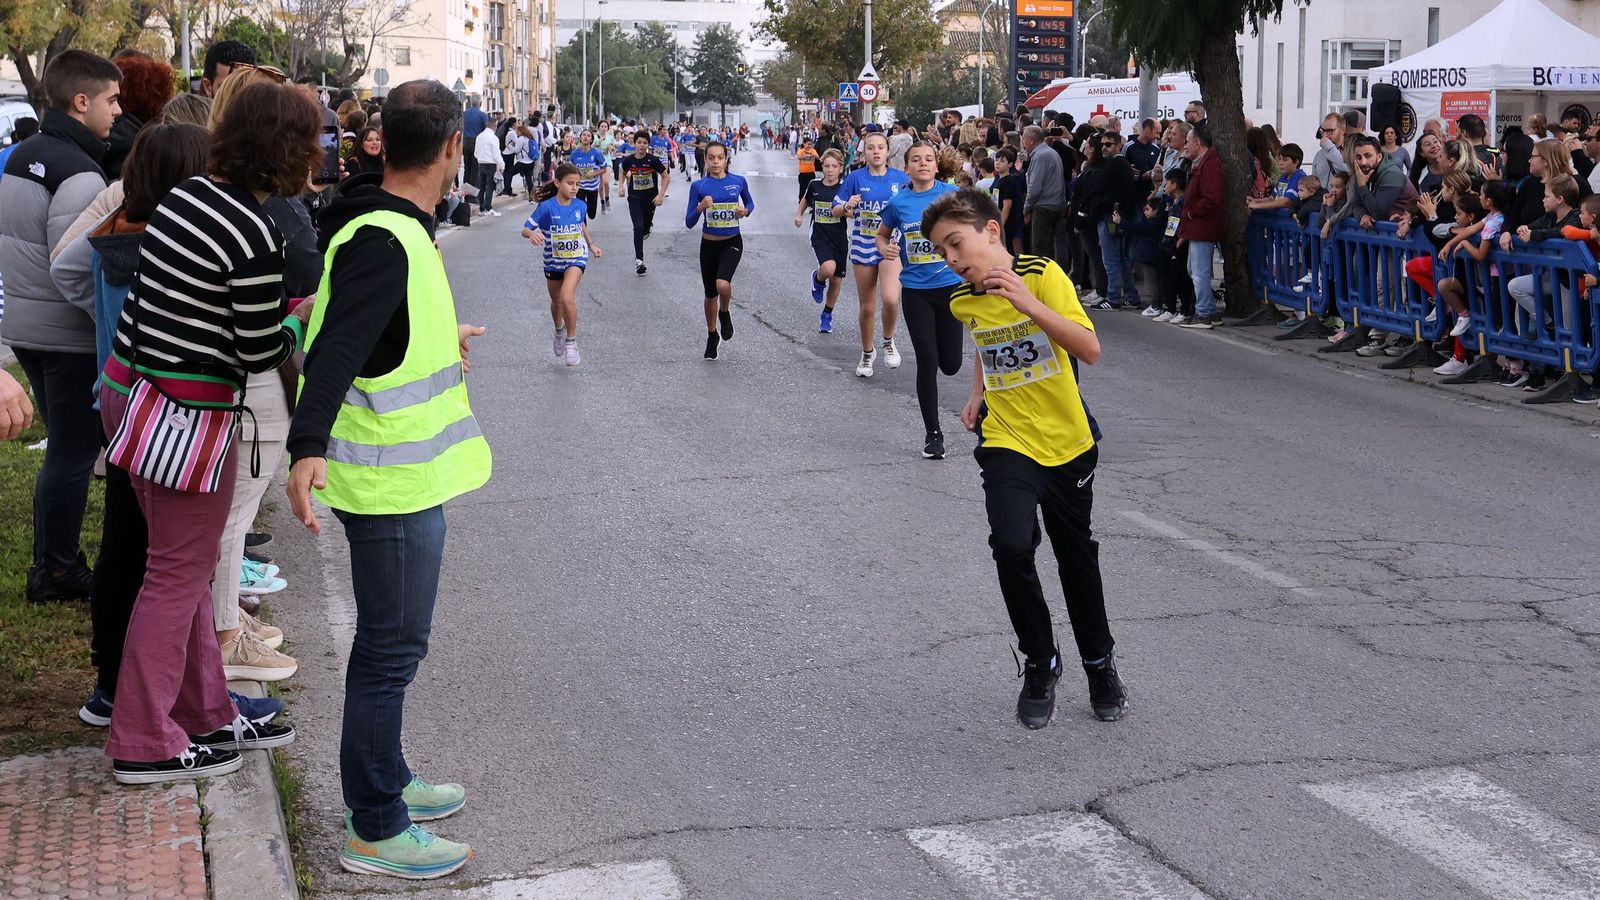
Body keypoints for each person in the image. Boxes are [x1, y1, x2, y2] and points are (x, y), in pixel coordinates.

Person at [287, 78, 489, 880]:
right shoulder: (385, 237)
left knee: (392, 648)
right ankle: (375, 823)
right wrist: (308, 446)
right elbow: (335, 347)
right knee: (388, 652)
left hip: (400, 480)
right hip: (386, 487)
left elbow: (376, 338)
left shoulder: (391, 225)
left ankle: (390, 779)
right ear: (450, 148)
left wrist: (445, 336)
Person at [98, 79, 315, 784]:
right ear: (287, 152)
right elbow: (257, 351)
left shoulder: (188, 196)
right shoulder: (252, 231)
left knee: (181, 573)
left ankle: (199, 709)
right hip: (186, 415)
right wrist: (296, 316)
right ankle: (142, 738)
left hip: (133, 390)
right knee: (174, 577)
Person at [921, 188, 1126, 729]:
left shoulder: (1041, 274)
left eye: (955, 244)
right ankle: (1040, 663)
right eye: (942, 251)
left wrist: (1026, 303)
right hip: (1008, 439)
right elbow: (992, 347)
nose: (951, 259)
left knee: (1075, 560)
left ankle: (1100, 665)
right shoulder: (964, 299)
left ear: (991, 232)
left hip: (1067, 442)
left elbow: (1089, 348)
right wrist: (977, 392)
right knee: (1012, 545)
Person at [0, 50, 122, 604]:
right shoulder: (80, 172)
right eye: (111, 100)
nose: (118, 112)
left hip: (24, 326)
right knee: (72, 454)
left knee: (63, 452)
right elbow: (71, 263)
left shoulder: (20, 153)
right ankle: (56, 569)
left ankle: (54, 562)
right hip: (64, 332)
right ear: (81, 102)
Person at [877, 142, 964, 460]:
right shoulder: (899, 202)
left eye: (928, 159)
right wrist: (884, 248)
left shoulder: (949, 195)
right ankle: (934, 434)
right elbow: (882, 234)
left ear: (936, 166)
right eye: (916, 160)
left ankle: (948, 362)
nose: (923, 164)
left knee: (951, 364)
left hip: (950, 286)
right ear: (907, 166)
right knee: (927, 361)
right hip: (916, 291)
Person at [834, 132, 911, 377]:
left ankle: (888, 341)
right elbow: (834, 209)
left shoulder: (901, 179)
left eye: (880, 147)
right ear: (864, 152)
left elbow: (915, 204)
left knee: (890, 299)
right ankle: (867, 353)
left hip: (891, 245)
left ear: (888, 152)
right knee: (867, 307)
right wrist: (847, 206)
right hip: (863, 245)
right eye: (870, 148)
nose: (876, 152)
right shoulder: (855, 178)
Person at [524, 163, 600, 366]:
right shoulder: (547, 207)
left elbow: (581, 225)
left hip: (576, 257)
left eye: (577, 184)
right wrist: (533, 234)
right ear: (558, 183)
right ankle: (559, 331)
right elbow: (526, 228)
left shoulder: (580, 205)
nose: (574, 188)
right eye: (570, 183)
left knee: (567, 297)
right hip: (553, 261)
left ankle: (571, 342)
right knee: (557, 301)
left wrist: (591, 245)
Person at [685, 141, 753, 361]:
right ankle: (712, 334)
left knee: (722, 284)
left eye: (720, 157)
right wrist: (700, 207)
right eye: (711, 158)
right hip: (709, 244)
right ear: (705, 159)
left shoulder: (738, 181)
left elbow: (750, 204)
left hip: (732, 241)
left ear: (726, 159)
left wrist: (745, 211)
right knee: (710, 294)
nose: (716, 162)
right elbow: (689, 222)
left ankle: (725, 313)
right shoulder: (699, 186)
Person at [794, 148, 849, 334]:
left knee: (836, 280)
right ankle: (818, 278)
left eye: (834, 166)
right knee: (828, 269)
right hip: (820, 234)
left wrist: (848, 210)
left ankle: (827, 313)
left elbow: (851, 211)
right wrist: (799, 215)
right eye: (826, 166)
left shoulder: (844, 188)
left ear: (841, 168)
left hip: (839, 237)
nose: (830, 170)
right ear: (822, 167)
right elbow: (805, 200)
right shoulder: (815, 185)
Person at [1177, 125, 1225, 329]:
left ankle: (1204, 312)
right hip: (1198, 225)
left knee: (1199, 271)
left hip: (1203, 225)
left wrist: (1191, 212)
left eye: (1188, 142)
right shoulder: (1201, 163)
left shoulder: (1210, 164)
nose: (1186, 146)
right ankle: (1210, 311)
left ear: (1197, 143)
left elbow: (1212, 197)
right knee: (1194, 269)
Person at [618, 130, 668, 276]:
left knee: (645, 229)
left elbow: (666, 177)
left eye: (645, 143)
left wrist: (661, 194)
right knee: (638, 228)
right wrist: (621, 187)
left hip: (651, 199)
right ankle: (639, 260)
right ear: (634, 144)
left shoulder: (653, 160)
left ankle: (648, 227)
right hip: (634, 198)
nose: (641, 145)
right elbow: (622, 172)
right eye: (639, 142)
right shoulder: (629, 160)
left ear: (648, 145)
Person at [1021, 126, 1064, 264]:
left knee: (1041, 251)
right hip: (1056, 205)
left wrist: (1026, 208)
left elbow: (1035, 186)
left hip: (1044, 207)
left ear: (1031, 140)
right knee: (1051, 248)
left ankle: (1044, 283)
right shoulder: (1050, 152)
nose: (1023, 143)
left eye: (1024, 139)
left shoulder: (1040, 156)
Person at [568, 129, 608, 220]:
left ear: (591, 140)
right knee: (581, 209)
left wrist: (594, 174)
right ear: (580, 138)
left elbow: (604, 169)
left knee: (591, 215)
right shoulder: (575, 153)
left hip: (592, 186)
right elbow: (569, 168)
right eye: (584, 135)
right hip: (580, 186)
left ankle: (587, 208)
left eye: (588, 135)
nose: (586, 137)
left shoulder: (596, 153)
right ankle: (582, 229)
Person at [472, 123, 500, 216]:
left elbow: (476, 152)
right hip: (491, 163)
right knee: (490, 186)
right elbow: (496, 153)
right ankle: (488, 207)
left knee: (482, 186)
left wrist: (480, 158)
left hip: (481, 162)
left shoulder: (479, 136)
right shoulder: (494, 138)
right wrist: (501, 164)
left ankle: (482, 208)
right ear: (494, 126)